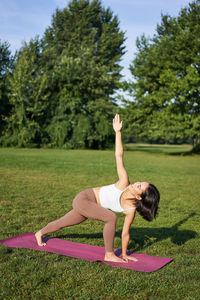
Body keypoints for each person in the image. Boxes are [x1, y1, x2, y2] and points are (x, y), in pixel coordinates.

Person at [35, 114, 160, 263]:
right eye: (139, 182)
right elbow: (119, 155)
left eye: (139, 186)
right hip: (85, 198)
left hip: (91, 207)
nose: (135, 183)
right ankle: (109, 254)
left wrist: (125, 253)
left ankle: (40, 233)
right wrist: (118, 133)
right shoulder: (124, 182)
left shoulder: (130, 210)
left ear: (139, 197)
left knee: (62, 223)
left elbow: (125, 233)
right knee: (111, 217)